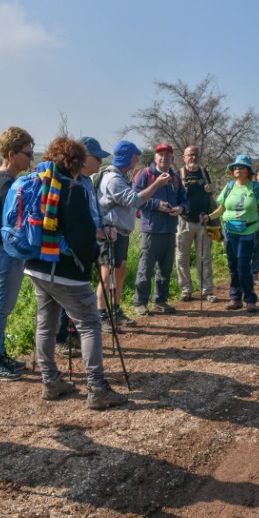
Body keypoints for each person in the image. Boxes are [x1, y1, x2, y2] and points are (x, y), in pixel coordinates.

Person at [25, 137, 128, 410]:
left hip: (35, 264)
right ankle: (97, 388)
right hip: (66, 270)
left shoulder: (39, 180)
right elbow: (82, 239)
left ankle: (51, 381)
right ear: (77, 162)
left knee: (45, 324)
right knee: (90, 324)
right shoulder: (71, 188)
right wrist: (95, 254)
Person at [96, 141, 170, 328]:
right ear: (127, 156)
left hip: (120, 233)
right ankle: (102, 315)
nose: (137, 159)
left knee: (118, 272)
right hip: (110, 233)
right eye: (135, 156)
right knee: (107, 274)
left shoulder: (121, 176)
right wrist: (156, 184)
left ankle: (116, 310)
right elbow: (135, 200)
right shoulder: (113, 179)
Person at [0, 126, 35, 380]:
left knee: (3, 306)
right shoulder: (5, 184)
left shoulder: (4, 181)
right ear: (12, 154)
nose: (31, 159)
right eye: (27, 154)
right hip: (4, 252)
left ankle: (0, 355)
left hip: (5, 252)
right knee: (0, 307)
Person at [202, 155, 259, 312]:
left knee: (243, 265)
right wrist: (208, 217)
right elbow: (221, 209)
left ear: (248, 171)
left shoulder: (256, 188)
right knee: (233, 266)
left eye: (240, 167)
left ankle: (250, 299)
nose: (236, 169)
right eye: (235, 167)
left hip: (248, 231)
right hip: (229, 231)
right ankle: (235, 298)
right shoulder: (230, 186)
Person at [55, 136, 111, 354]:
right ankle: (61, 339)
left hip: (89, 243)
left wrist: (103, 227)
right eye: (97, 157)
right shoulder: (71, 182)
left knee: (79, 292)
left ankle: (74, 335)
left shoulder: (88, 181)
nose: (100, 162)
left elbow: (93, 212)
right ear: (83, 157)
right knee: (66, 294)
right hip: (70, 248)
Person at [133, 143, 188, 315]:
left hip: (170, 229)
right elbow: (134, 199)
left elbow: (183, 199)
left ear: (172, 158)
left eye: (167, 155)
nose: (164, 158)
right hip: (151, 229)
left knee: (165, 269)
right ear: (155, 158)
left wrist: (182, 209)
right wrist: (156, 205)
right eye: (160, 155)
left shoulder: (176, 178)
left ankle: (160, 300)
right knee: (145, 268)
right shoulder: (146, 175)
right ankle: (140, 302)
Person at [176, 145, 217, 302]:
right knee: (181, 258)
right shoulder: (178, 174)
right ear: (184, 157)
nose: (193, 157)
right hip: (184, 221)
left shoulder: (204, 173)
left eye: (196, 155)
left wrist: (211, 189)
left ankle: (207, 291)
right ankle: (186, 290)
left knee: (204, 257)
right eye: (190, 155)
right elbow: (174, 195)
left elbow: (212, 192)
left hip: (203, 221)